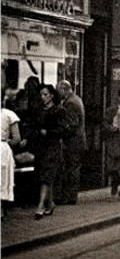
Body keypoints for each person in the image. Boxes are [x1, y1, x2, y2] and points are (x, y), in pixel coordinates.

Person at [32, 84, 69, 219]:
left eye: (45, 95)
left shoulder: (59, 110)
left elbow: (64, 130)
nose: (43, 97)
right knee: (44, 176)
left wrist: (47, 132)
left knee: (47, 176)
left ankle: (41, 205)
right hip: (41, 147)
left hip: (52, 147)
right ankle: (50, 203)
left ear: (52, 95)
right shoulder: (39, 110)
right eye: (41, 95)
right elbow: (34, 126)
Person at [54, 80, 85, 205]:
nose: (57, 94)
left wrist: (60, 132)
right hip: (76, 140)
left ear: (63, 89)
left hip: (72, 141)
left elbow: (72, 124)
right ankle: (71, 196)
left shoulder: (70, 102)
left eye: (58, 91)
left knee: (71, 168)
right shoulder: (76, 99)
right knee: (73, 168)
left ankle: (70, 197)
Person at [1, 103, 22, 218]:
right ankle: (1, 209)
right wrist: (7, 142)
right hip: (3, 150)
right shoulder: (9, 115)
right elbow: (17, 138)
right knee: (3, 180)